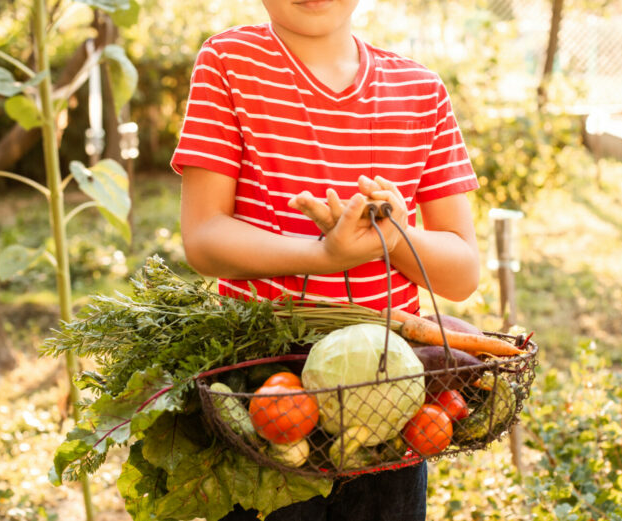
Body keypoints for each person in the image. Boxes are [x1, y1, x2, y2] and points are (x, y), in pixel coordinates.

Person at [171, 0, 481, 519]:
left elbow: (462, 271)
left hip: (389, 394)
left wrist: (398, 237)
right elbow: (204, 238)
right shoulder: (230, 62)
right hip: (267, 393)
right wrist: (324, 254)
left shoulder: (420, 90)